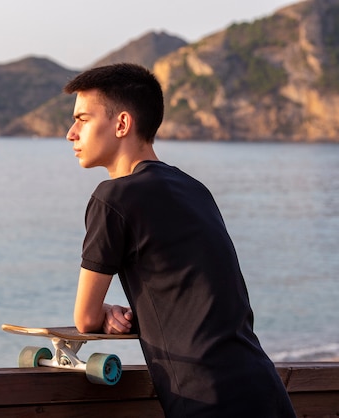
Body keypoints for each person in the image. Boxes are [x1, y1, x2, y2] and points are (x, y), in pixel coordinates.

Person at [64, 63, 296, 418]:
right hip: (265, 390)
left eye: (83, 119)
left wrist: (108, 312)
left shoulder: (113, 198)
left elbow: (84, 318)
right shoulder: (195, 189)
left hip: (208, 402)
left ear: (122, 124)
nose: (71, 133)